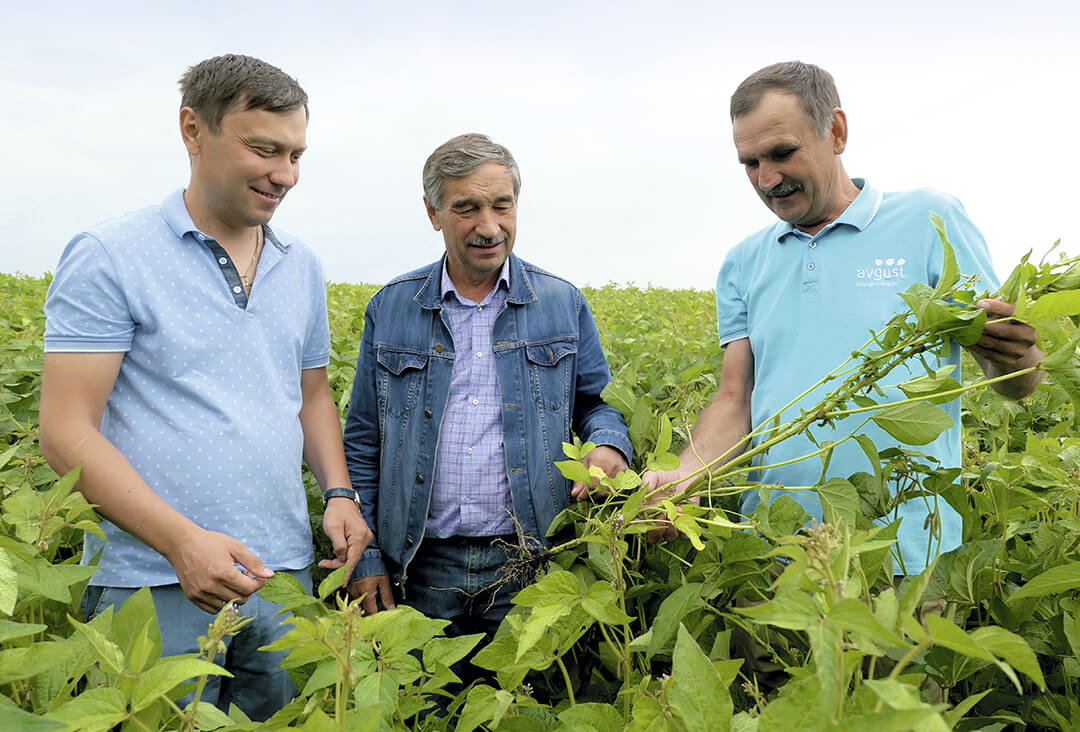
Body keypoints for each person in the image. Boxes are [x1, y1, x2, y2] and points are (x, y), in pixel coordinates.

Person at [39, 54, 373, 720]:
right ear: (193, 129)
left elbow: (310, 396)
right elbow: (64, 431)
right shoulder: (112, 254)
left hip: (280, 579)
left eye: (296, 154)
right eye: (264, 149)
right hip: (153, 580)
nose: (284, 175)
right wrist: (181, 541)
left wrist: (338, 492)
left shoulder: (299, 265)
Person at [644, 61, 1042, 573]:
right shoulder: (744, 261)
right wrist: (686, 471)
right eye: (750, 163)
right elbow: (732, 396)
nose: (768, 179)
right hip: (771, 549)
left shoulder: (929, 220)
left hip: (908, 552)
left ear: (835, 131)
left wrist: (1015, 357)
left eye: (782, 153)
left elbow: (1015, 378)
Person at [342, 133, 631, 645]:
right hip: (418, 563)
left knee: (525, 705)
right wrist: (365, 557)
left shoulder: (561, 303)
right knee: (423, 714)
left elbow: (596, 403)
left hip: (531, 560)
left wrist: (608, 443)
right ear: (433, 212)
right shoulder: (391, 308)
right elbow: (363, 443)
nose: (489, 226)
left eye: (502, 205)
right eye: (467, 208)